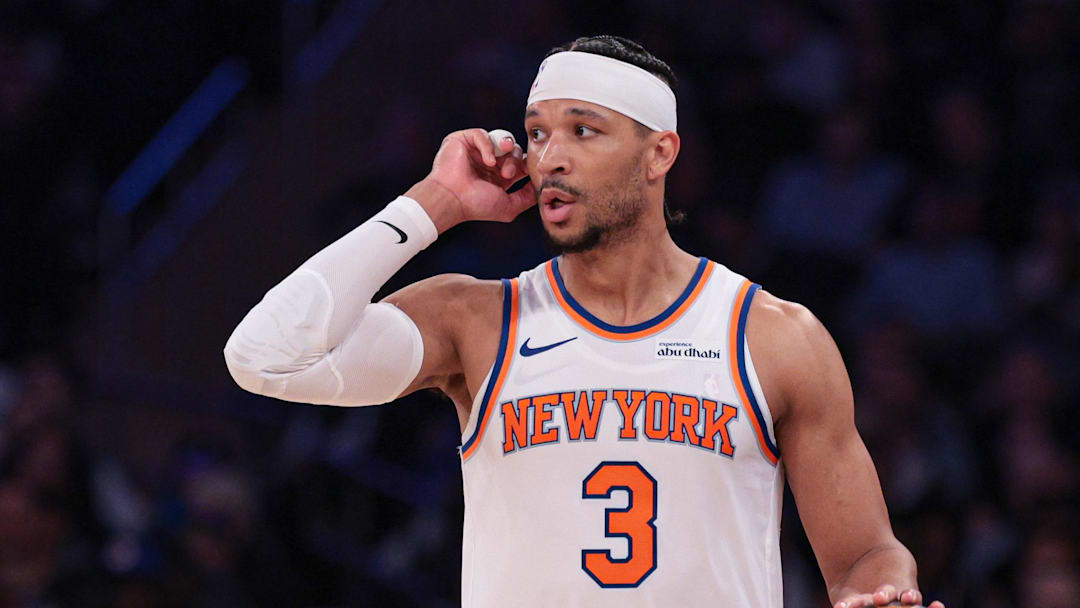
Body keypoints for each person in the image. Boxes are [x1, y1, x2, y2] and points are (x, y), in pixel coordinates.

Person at [223, 35, 944, 608]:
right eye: (536, 133)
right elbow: (264, 355)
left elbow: (862, 554)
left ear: (660, 152)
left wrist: (885, 593)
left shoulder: (774, 335)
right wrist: (433, 202)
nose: (550, 157)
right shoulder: (478, 321)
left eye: (583, 130)